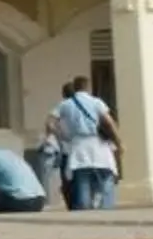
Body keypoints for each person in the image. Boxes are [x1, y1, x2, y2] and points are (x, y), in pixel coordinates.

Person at [50, 77, 120, 211]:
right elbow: (109, 123)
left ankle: (84, 212)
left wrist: (64, 137)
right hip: (98, 144)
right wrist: (119, 142)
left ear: (75, 87)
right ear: (88, 87)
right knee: (106, 178)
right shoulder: (97, 102)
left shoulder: (65, 104)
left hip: (78, 145)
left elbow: (49, 123)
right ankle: (106, 209)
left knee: (82, 181)